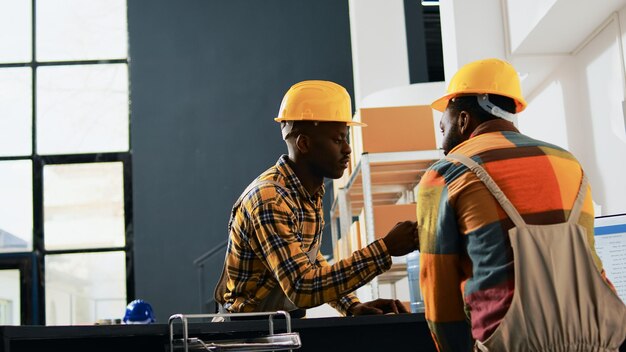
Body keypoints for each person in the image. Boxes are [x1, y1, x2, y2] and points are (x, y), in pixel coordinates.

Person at [416, 58, 626, 351]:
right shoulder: (568, 162)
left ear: (463, 120)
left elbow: (440, 298)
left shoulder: (445, 173)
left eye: (443, 128)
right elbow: (589, 257)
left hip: (510, 342)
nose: (443, 143)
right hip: (597, 339)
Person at [214, 80, 419, 319]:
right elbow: (302, 287)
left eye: (346, 138)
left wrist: (351, 306)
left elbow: (309, 261)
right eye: (337, 139)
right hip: (247, 334)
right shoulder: (270, 200)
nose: (348, 149)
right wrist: (385, 249)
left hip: (279, 326)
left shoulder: (308, 193)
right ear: (304, 143)